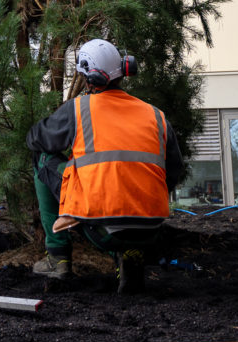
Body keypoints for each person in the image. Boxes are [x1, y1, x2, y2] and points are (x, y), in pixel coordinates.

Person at [26, 38, 183, 293]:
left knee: (41, 158)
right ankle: (129, 255)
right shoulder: (155, 114)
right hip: (151, 229)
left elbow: (36, 139)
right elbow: (173, 172)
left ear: (88, 77)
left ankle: (58, 258)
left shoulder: (79, 109)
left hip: (101, 229)